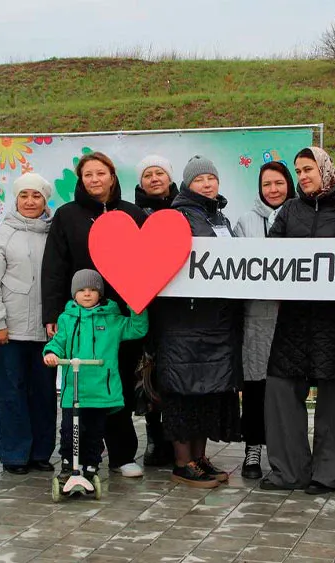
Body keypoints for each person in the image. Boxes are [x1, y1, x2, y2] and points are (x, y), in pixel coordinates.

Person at [262, 147, 335, 495]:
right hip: (292, 320)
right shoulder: (289, 211)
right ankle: (288, 471)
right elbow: (270, 257)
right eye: (299, 170)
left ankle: (329, 474)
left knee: (333, 398)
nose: (303, 175)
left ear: (326, 170)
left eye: (309, 169)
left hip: (334, 322)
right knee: (279, 389)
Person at [41, 152, 149, 477]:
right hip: (80, 318)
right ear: (81, 179)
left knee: (116, 386)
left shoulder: (132, 214)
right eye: (88, 175)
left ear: (112, 177)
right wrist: (52, 313)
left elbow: (147, 263)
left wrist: (138, 303)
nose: (94, 180)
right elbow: (54, 269)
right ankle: (80, 454)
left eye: (100, 173)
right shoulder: (66, 216)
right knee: (83, 389)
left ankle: (121, 455)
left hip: (118, 318)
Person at [151, 155, 242, 489]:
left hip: (217, 321)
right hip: (183, 323)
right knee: (183, 392)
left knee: (208, 392)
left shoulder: (222, 219)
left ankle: (200, 458)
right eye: (200, 179)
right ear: (188, 184)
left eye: (211, 178)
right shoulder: (173, 218)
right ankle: (181, 461)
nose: (207, 184)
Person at [0, 173, 57, 475]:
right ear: (16, 199)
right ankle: (14, 454)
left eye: (36, 196)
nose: (29, 201)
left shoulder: (53, 233)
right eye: (24, 196)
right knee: (12, 392)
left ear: (44, 200)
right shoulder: (3, 234)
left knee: (44, 392)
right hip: (9, 331)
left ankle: (40, 452)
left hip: (46, 331)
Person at [43, 269, 148, 484]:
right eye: (82, 290)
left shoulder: (112, 318)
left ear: (100, 293)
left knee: (93, 432)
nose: (87, 294)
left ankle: (91, 465)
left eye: (92, 289)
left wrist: (136, 305)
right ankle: (68, 466)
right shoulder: (67, 319)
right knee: (69, 431)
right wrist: (52, 353)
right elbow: (59, 341)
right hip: (75, 390)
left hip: (100, 391)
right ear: (74, 294)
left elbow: (137, 329)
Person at [232, 161, 297, 479]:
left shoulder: (300, 216)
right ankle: (253, 448)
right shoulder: (245, 221)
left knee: (286, 386)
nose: (273, 189)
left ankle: (285, 449)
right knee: (255, 385)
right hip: (258, 315)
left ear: (289, 184)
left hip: (292, 315)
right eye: (267, 184)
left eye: (279, 183)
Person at [133, 154, 178, 467]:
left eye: (159, 172)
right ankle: (153, 438)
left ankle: (177, 438)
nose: (154, 179)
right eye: (147, 174)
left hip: (177, 305)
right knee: (147, 373)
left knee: (174, 373)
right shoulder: (132, 213)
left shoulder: (185, 209)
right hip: (145, 303)